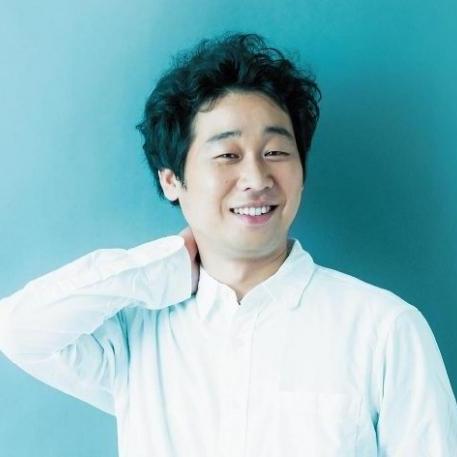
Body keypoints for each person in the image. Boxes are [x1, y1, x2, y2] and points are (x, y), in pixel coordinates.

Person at [0, 32, 456, 457]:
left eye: (276, 152)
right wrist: (164, 266)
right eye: (227, 155)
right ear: (171, 179)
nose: (256, 178)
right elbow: (19, 330)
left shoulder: (383, 329)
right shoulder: (136, 336)